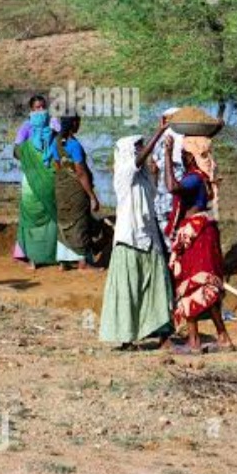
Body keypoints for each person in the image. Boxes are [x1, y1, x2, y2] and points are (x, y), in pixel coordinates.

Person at [98, 130, 174, 351]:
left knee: (157, 289)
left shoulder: (143, 177)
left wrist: (156, 175)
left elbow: (150, 198)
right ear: (129, 152)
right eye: (138, 146)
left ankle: (164, 336)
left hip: (149, 238)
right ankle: (127, 338)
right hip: (129, 239)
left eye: (142, 146)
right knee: (127, 291)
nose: (142, 150)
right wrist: (159, 133)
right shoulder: (123, 173)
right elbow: (136, 162)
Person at [164, 135, 235, 354]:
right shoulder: (202, 177)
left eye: (184, 155)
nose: (182, 159)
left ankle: (194, 341)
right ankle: (223, 337)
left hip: (196, 235)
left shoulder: (194, 178)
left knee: (190, 285)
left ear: (191, 157)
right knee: (205, 287)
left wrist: (167, 153)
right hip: (204, 232)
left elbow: (171, 187)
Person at [50, 115, 101, 270]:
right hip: (76, 190)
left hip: (61, 188)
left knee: (64, 221)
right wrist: (92, 196)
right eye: (79, 122)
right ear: (73, 123)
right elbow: (80, 173)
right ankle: (83, 262)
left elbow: (58, 166)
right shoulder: (74, 145)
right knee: (80, 222)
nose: (80, 124)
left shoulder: (56, 142)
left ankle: (63, 262)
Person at [12, 94, 56, 262]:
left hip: (49, 176)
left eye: (42, 107)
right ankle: (27, 253)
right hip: (31, 178)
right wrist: (31, 153)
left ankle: (50, 252)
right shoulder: (26, 127)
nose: (40, 111)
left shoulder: (53, 123)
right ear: (31, 110)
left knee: (50, 212)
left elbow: (60, 143)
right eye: (36, 108)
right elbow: (16, 151)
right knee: (30, 212)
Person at [151, 107, 184, 252]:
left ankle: (170, 257)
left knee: (165, 226)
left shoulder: (161, 139)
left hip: (163, 192)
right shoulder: (185, 137)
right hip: (181, 188)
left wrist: (154, 190)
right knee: (180, 222)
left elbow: (154, 168)